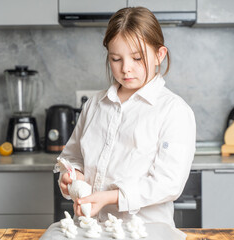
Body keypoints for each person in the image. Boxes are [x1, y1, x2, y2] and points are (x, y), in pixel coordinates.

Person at [56, 6, 196, 227]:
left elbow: (168, 183)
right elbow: (72, 157)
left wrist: (110, 198)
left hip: (144, 231)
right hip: (90, 229)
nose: (126, 69)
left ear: (160, 55)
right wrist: (72, 177)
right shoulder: (94, 105)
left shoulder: (174, 111)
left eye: (137, 58)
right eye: (116, 59)